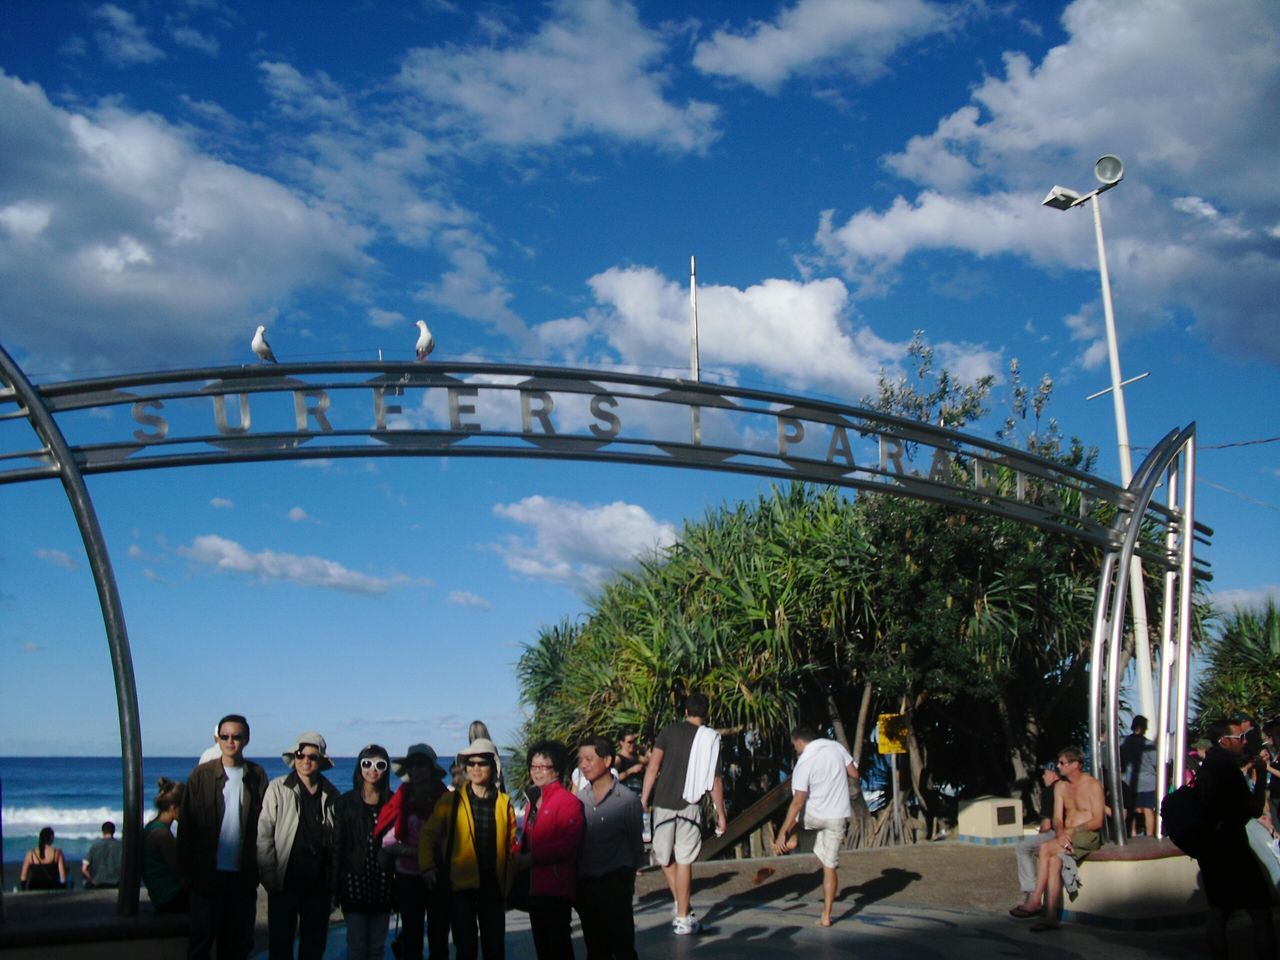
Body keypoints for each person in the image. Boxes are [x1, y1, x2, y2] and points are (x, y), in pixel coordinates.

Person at [179, 713, 268, 960]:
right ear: (218, 739)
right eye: (225, 736)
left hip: (243, 877)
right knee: (201, 944)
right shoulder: (201, 776)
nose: (230, 742)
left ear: (246, 739)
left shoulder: (257, 776)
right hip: (207, 876)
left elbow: (264, 826)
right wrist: (185, 871)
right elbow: (187, 825)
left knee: (237, 947)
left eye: (236, 737)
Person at [640, 691, 727, 935]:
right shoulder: (711, 738)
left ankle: (682, 912)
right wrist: (721, 813)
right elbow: (715, 780)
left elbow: (653, 766)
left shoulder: (668, 732)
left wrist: (644, 799)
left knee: (665, 858)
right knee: (685, 860)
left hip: (663, 802)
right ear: (705, 713)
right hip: (691, 804)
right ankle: (683, 912)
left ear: (685, 712)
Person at [420, 738, 516, 960]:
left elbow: (510, 843)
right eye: (471, 764)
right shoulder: (450, 801)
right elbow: (428, 835)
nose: (475, 768)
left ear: (493, 767)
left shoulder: (504, 803)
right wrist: (427, 868)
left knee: (495, 949)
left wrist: (509, 880)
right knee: (465, 949)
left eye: (481, 763)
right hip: (460, 887)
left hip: (493, 886)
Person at [1195, 718, 1276, 959]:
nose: (1244, 741)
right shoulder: (1226, 770)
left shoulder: (1207, 768)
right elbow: (1252, 809)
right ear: (1224, 742)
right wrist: (1260, 777)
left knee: (1219, 910)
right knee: (1260, 911)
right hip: (1232, 847)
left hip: (1211, 848)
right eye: (1239, 737)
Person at [258, 732, 340, 960]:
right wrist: (268, 874)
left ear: (321, 761)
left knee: (314, 946)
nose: (306, 760)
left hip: (319, 884)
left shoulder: (331, 794)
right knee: (280, 945)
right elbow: (264, 833)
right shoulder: (278, 788)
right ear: (294, 758)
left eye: (312, 757)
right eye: (300, 755)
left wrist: (334, 884)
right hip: (286, 881)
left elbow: (335, 843)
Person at [1009, 746, 1104, 932]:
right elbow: (1057, 818)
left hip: (1086, 835)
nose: (1058, 766)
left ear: (1075, 765)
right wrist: (1061, 833)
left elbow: (1097, 821)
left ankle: (1036, 900)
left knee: (1045, 849)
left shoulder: (1092, 785)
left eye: (1062, 763)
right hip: (1064, 834)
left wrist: (1072, 831)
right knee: (1053, 861)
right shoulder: (1060, 786)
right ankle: (1051, 916)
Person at [772, 724, 859, 927]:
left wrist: (782, 834)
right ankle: (826, 916)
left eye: (795, 747)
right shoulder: (837, 747)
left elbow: (798, 802)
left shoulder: (804, 762)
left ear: (800, 742)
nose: (796, 750)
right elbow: (854, 773)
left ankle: (793, 838)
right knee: (829, 867)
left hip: (813, 815)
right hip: (837, 816)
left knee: (796, 818)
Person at [514, 739, 584, 960]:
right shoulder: (533, 799)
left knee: (558, 946)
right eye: (534, 766)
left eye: (544, 767)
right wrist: (515, 853)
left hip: (556, 886)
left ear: (557, 769)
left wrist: (531, 859)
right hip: (534, 887)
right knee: (543, 947)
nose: (538, 772)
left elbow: (567, 844)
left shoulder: (567, 802)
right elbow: (526, 838)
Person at [575, 736, 644, 960]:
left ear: (607, 761)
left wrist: (628, 882)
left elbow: (636, 845)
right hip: (587, 886)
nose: (583, 765)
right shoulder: (579, 800)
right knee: (595, 950)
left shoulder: (627, 800)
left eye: (588, 759)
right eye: (580, 760)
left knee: (623, 948)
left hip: (616, 883)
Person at [379, 743, 450, 960]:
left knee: (439, 939)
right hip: (408, 879)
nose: (417, 769)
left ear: (430, 769)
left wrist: (428, 855)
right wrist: (416, 852)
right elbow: (387, 840)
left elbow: (452, 838)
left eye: (422, 764)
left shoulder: (444, 800)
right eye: (413, 765)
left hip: (437, 877)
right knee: (412, 940)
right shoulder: (400, 799)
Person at [334, 745, 397, 960]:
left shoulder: (393, 802)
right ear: (359, 767)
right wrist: (335, 887)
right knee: (358, 945)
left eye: (380, 765)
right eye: (367, 764)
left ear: (387, 769)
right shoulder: (345, 802)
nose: (373, 770)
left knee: (377, 946)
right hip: (354, 882)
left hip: (383, 883)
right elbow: (338, 846)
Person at [1009, 765, 1060, 915]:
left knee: (1023, 847)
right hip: (1064, 832)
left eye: (1045, 773)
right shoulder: (1067, 787)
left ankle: (1031, 891)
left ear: (1053, 775)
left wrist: (1040, 830)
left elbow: (1046, 824)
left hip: (1055, 833)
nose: (1043, 777)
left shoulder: (1050, 791)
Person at [143, 777, 189, 912]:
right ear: (174, 808)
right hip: (169, 897)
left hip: (161, 895)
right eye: (185, 808)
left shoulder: (152, 827)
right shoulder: (162, 835)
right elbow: (180, 874)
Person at [1120, 715, 1158, 836]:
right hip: (1148, 781)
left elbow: (1121, 763)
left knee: (1131, 809)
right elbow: (1156, 763)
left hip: (1130, 781)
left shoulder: (1123, 743)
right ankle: (1149, 835)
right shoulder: (1149, 744)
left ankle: (1133, 833)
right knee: (1148, 809)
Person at [81, 820, 123, 889]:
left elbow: (84, 869)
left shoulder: (94, 846)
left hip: (98, 883)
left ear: (102, 831)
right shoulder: (121, 846)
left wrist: (92, 880)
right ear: (114, 831)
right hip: (116, 883)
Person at [613, 731, 646, 796]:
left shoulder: (637, 757)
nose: (632, 744)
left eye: (634, 741)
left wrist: (642, 749)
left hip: (639, 795)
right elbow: (611, 779)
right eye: (629, 742)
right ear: (621, 743)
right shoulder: (619, 759)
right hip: (625, 795)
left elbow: (653, 761)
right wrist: (630, 771)